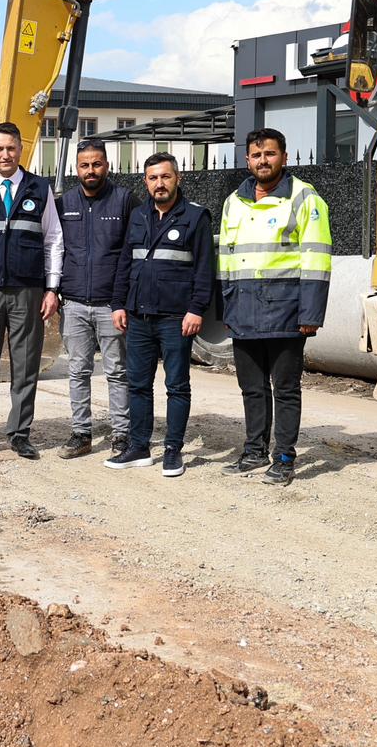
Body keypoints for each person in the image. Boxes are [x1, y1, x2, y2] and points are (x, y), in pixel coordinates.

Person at [217, 128, 332, 486]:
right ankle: (253, 451)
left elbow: (317, 259)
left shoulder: (305, 198)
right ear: (247, 159)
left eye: (269, 153)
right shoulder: (234, 201)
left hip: (286, 312)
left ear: (284, 156)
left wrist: (310, 315)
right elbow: (225, 260)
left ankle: (283, 458)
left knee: (285, 389)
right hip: (244, 311)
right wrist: (227, 310)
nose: (262, 160)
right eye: (256, 154)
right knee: (251, 388)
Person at [107, 153, 214, 477]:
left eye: (165, 177)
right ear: (146, 182)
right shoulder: (138, 216)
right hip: (139, 316)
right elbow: (126, 262)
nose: (159, 184)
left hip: (175, 317)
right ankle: (139, 447)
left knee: (177, 386)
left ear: (177, 178)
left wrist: (196, 309)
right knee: (138, 384)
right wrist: (118, 304)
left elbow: (205, 269)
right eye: (153, 178)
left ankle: (172, 450)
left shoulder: (195, 218)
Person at [0, 122, 63, 460]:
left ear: (21, 150)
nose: (5, 154)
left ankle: (20, 433)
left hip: (28, 290)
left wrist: (52, 288)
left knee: (25, 363)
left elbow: (53, 240)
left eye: (11, 148)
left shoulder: (40, 188)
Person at [56, 139, 138, 459]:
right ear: (77, 169)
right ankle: (81, 433)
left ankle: (121, 434)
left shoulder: (125, 201)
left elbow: (132, 255)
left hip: (111, 305)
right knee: (78, 370)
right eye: (84, 165)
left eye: (97, 164)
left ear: (107, 164)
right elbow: (56, 249)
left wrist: (124, 301)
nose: (91, 170)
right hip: (74, 303)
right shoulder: (64, 204)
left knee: (117, 371)